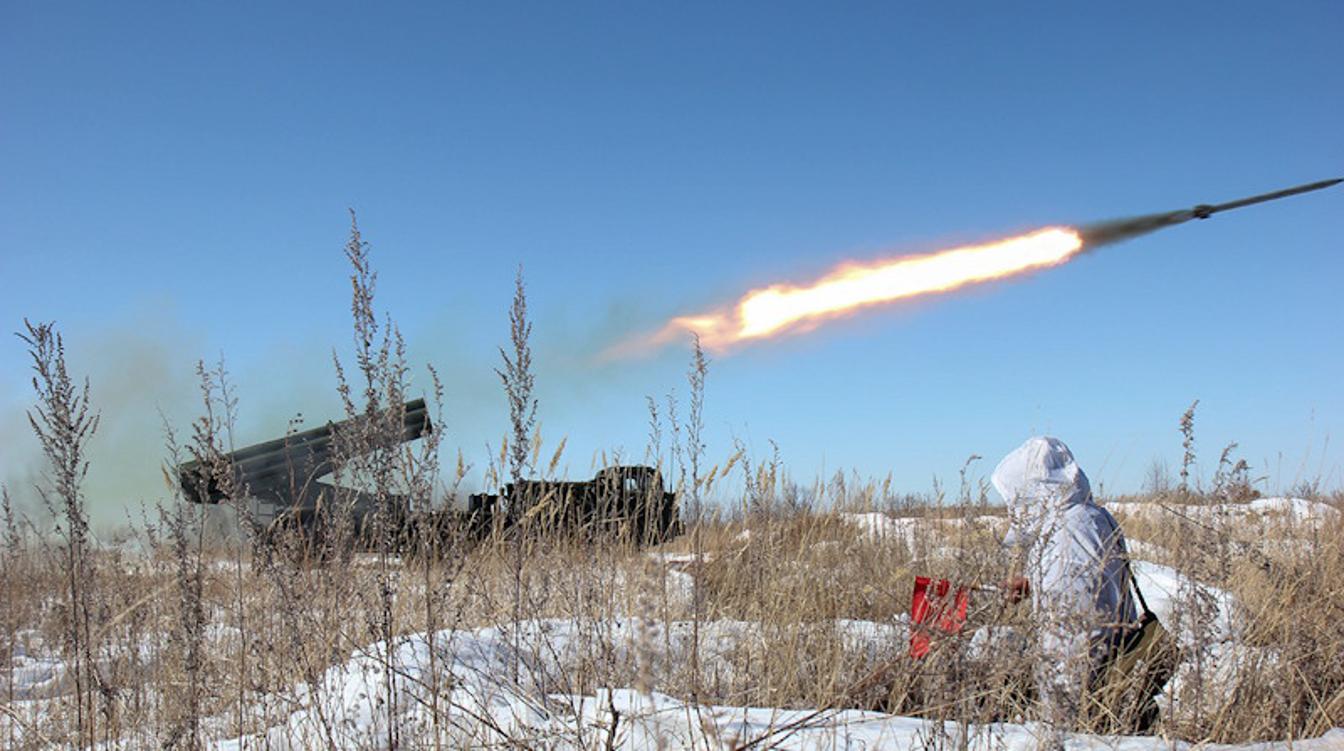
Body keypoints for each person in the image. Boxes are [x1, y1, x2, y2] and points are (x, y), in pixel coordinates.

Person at [992, 436, 1142, 734]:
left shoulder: (1067, 533)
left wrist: (1060, 716)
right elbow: (1089, 585)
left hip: (1090, 694)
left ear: (1033, 490)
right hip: (1112, 675)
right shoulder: (1090, 516)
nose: (1012, 507)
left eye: (1015, 496)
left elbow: (1077, 632)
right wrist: (1033, 583)